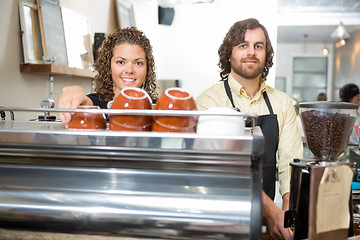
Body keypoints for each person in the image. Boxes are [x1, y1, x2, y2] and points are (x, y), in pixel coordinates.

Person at [196, 18, 303, 240]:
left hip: (266, 227)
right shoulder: (208, 102)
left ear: (266, 55)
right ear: (229, 54)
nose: (251, 52)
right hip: (219, 222)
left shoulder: (282, 103)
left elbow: (289, 165)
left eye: (258, 46)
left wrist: (286, 214)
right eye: (243, 45)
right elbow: (222, 170)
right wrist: (273, 212)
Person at [58, 27, 158, 127]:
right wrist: (75, 90)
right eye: (121, 62)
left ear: (147, 68)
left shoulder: (158, 108)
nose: (130, 70)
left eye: (138, 63)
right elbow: (84, 102)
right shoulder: (97, 103)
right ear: (108, 66)